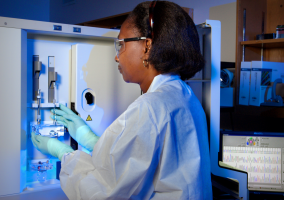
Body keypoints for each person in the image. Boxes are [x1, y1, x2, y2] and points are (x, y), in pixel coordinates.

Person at [31, 1, 212, 199]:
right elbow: (141, 159)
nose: (117, 57)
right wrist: (90, 139)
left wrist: (63, 154)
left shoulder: (149, 108)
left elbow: (105, 193)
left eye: (121, 44)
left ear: (147, 47)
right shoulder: (185, 95)